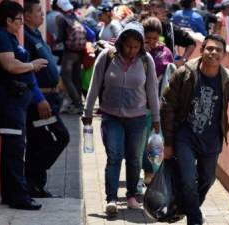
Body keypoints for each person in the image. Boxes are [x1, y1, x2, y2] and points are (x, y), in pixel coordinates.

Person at [161, 34, 229, 225]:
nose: (214, 52)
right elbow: (167, 105)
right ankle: (195, 220)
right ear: (201, 51)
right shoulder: (184, 73)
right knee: (188, 179)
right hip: (185, 137)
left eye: (218, 50)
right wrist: (168, 143)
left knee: (207, 180)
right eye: (210, 48)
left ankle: (184, 207)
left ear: (223, 55)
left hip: (211, 140)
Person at [81, 21, 160, 215]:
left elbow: (152, 90)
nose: (132, 50)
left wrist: (157, 118)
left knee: (134, 159)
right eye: (128, 46)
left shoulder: (146, 60)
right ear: (121, 43)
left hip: (138, 118)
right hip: (111, 116)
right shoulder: (106, 57)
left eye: (136, 46)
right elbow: (94, 85)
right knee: (114, 156)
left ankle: (132, 195)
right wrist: (87, 112)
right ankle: (112, 199)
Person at [0, 0, 49, 210]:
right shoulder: (0, 37)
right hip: (8, 102)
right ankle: (19, 197)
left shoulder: (9, 37)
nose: (21, 24)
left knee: (14, 148)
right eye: (18, 20)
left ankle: (10, 194)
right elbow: (9, 64)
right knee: (15, 150)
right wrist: (32, 65)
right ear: (7, 20)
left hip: (16, 102)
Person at [23, 0, 70, 198]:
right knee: (61, 137)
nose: (43, 15)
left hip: (52, 97)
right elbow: (28, 73)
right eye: (38, 12)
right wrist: (39, 99)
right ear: (26, 15)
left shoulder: (36, 34)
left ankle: (36, 185)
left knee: (39, 142)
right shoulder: (24, 37)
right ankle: (30, 177)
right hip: (41, 101)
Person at [142, 16, 174, 184]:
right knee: (142, 143)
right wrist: (144, 52)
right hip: (141, 104)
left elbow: (171, 75)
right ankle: (147, 172)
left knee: (156, 141)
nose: (153, 42)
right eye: (148, 38)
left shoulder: (166, 51)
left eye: (155, 38)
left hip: (160, 105)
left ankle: (156, 173)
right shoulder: (137, 52)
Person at [55, 0, 86, 114]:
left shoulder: (61, 18)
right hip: (80, 52)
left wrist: (53, 43)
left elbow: (60, 37)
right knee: (76, 78)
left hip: (69, 53)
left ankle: (77, 103)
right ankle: (78, 104)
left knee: (66, 76)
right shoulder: (76, 17)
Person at [148, 0, 196, 67]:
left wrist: (182, 60)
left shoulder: (170, 29)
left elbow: (191, 43)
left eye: (155, 13)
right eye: (149, 13)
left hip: (165, 72)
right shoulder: (142, 27)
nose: (152, 16)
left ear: (164, 13)